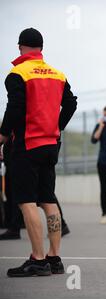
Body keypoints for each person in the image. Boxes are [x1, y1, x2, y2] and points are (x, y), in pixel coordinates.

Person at [0, 28, 77, 276]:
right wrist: (57, 126)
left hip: (27, 145)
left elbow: (15, 107)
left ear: (21, 47)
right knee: (48, 199)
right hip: (50, 145)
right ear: (41, 48)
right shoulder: (58, 74)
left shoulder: (17, 73)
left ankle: (38, 258)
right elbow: (72, 103)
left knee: (26, 202)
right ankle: (54, 258)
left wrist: (3, 135)